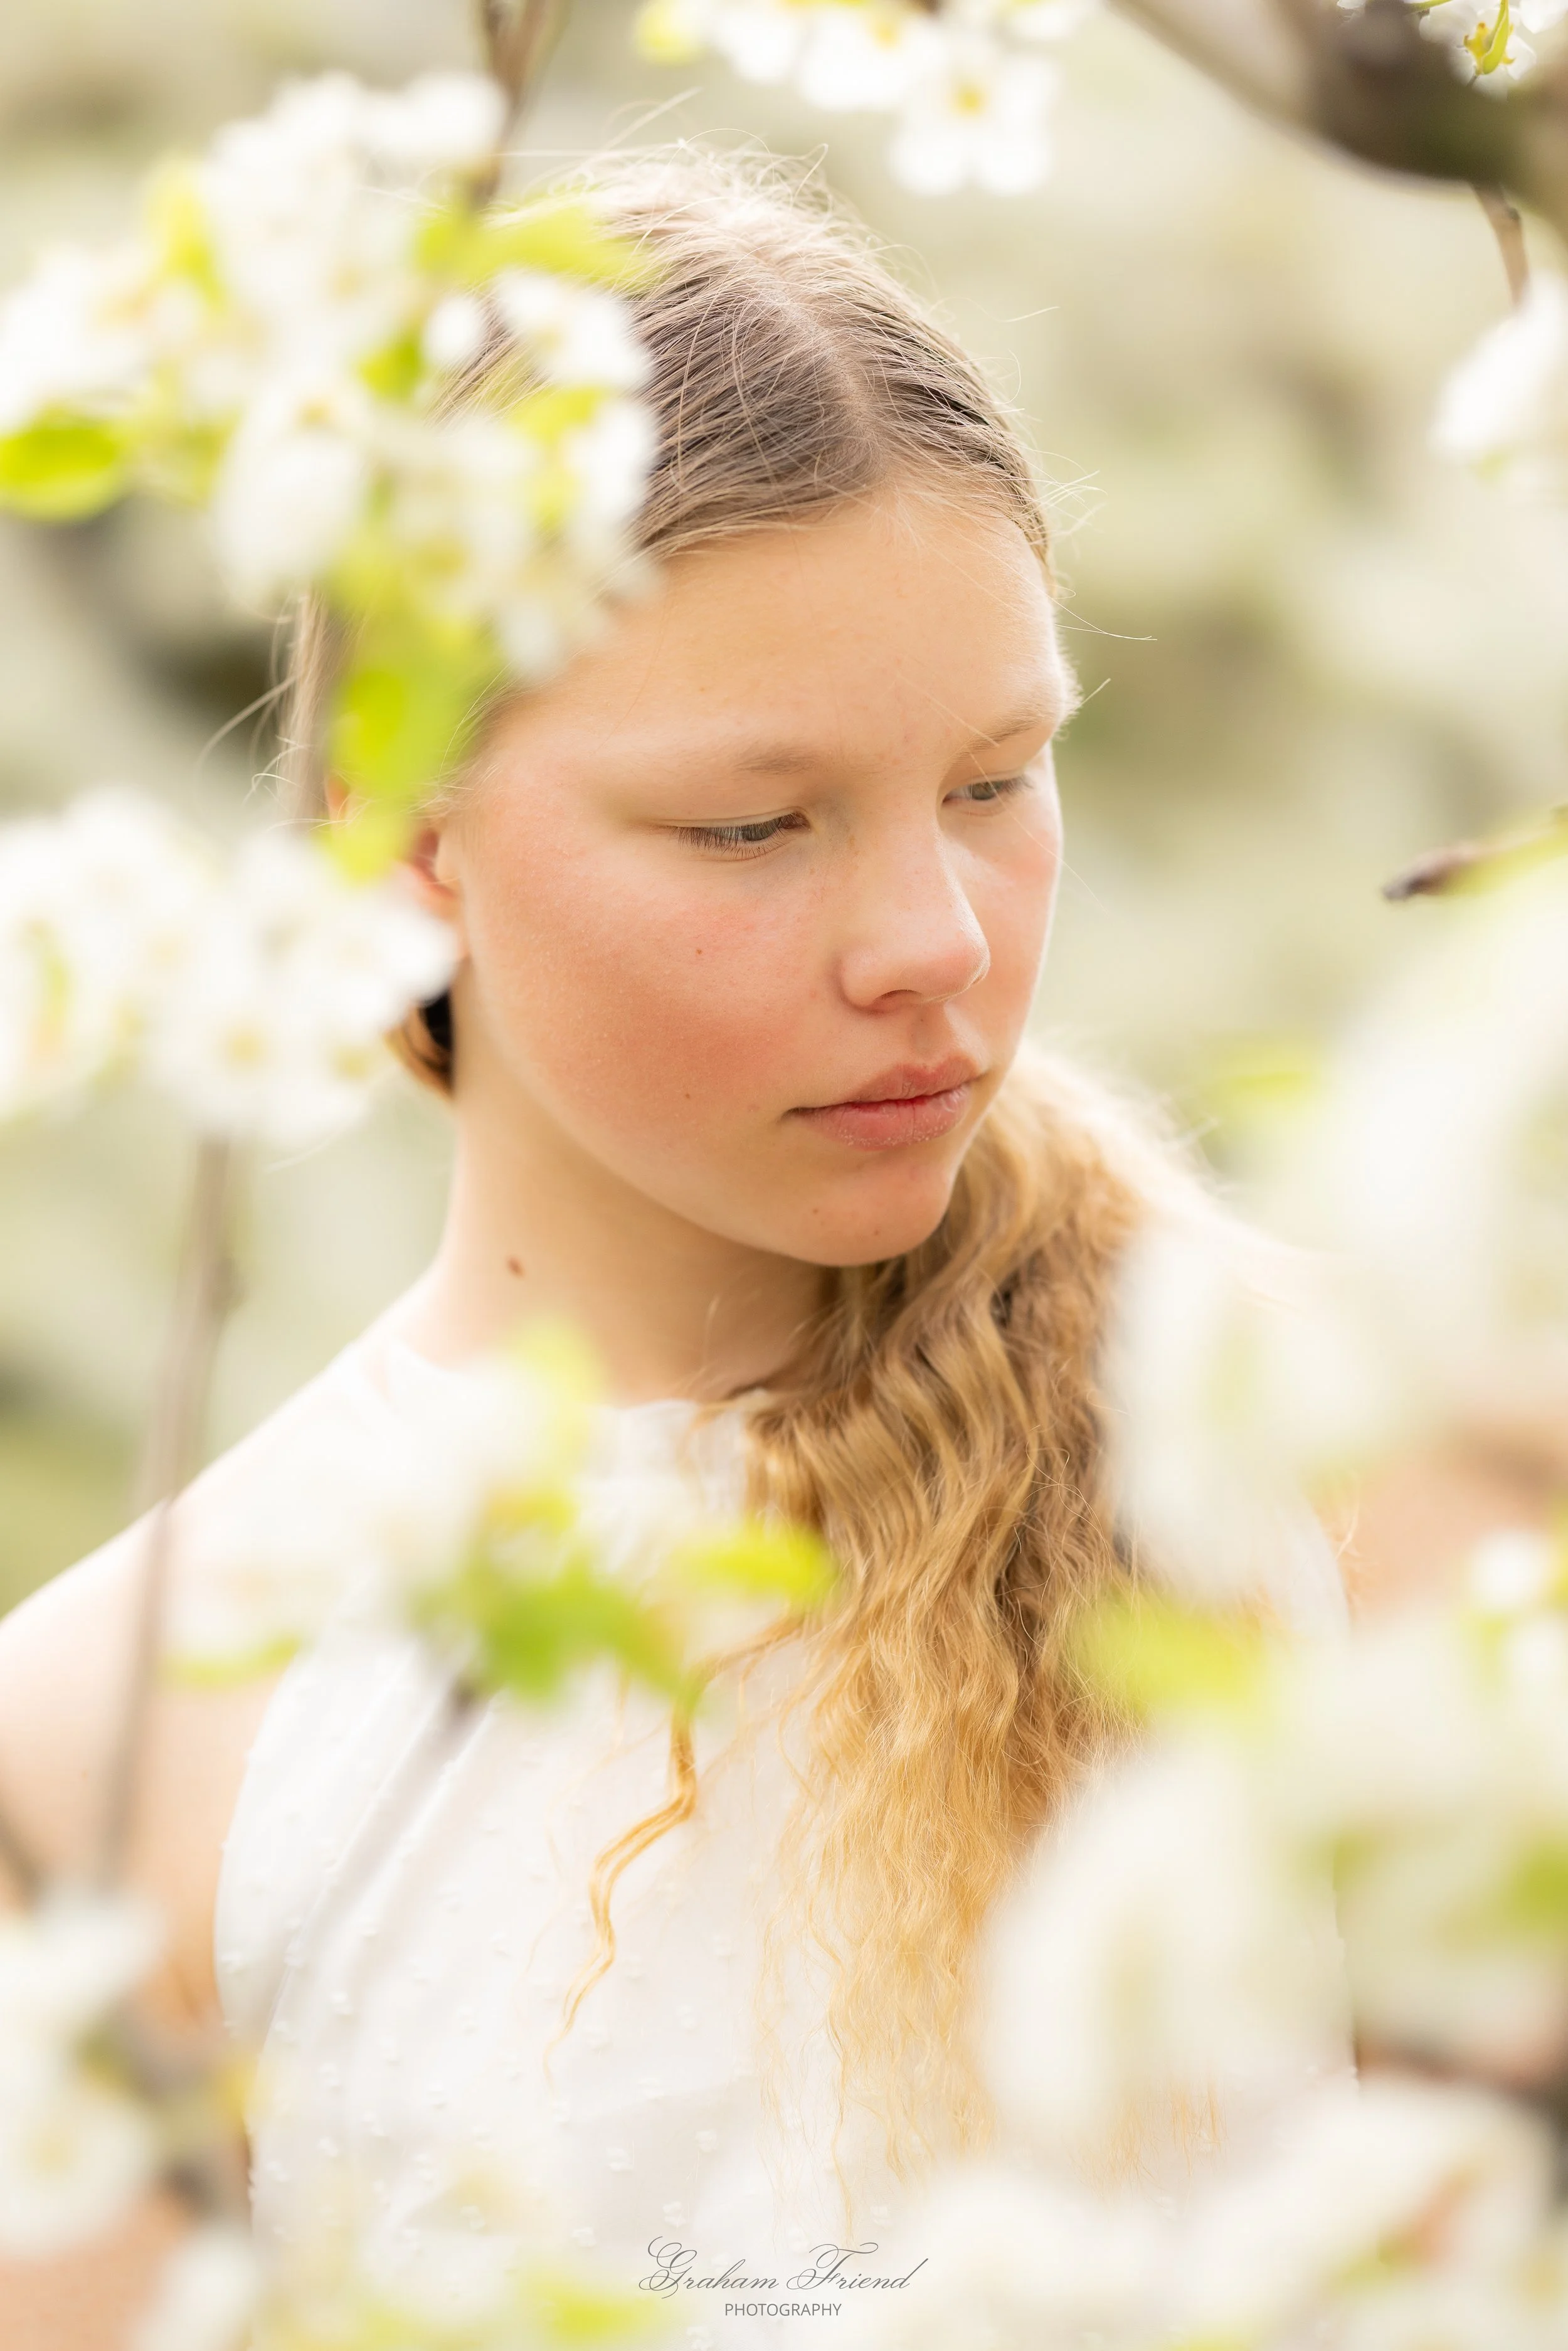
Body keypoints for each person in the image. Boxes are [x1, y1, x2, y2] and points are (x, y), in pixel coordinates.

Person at [0, 149, 1347, 2351]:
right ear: (401, 830)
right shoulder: (122, 1733)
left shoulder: (1316, 1465)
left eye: (1000, 779)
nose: (935, 941)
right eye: (752, 824)